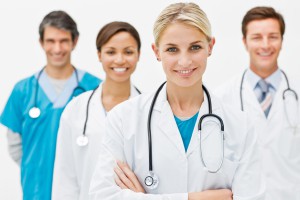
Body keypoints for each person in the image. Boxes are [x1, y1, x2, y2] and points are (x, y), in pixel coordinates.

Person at [89, 2, 265, 200]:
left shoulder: (240, 125)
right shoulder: (123, 119)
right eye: (172, 49)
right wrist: (197, 198)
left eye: (195, 47)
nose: (184, 61)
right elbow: (102, 196)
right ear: (156, 52)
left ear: (210, 46)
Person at [0, 10, 100, 200]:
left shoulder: (94, 88)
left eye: (63, 41)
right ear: (41, 43)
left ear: (75, 42)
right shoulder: (23, 90)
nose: (57, 48)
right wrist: (37, 166)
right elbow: (15, 146)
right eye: (51, 41)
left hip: (82, 189)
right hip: (37, 188)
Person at [214, 6, 300, 200]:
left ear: (282, 41)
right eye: (256, 37)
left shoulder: (296, 90)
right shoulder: (222, 97)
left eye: (273, 36)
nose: (265, 45)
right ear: (245, 42)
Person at [51, 21, 141, 200]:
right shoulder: (76, 109)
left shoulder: (149, 111)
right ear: (99, 55)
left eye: (128, 52)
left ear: (139, 55)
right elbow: (65, 178)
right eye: (111, 52)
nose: (120, 59)